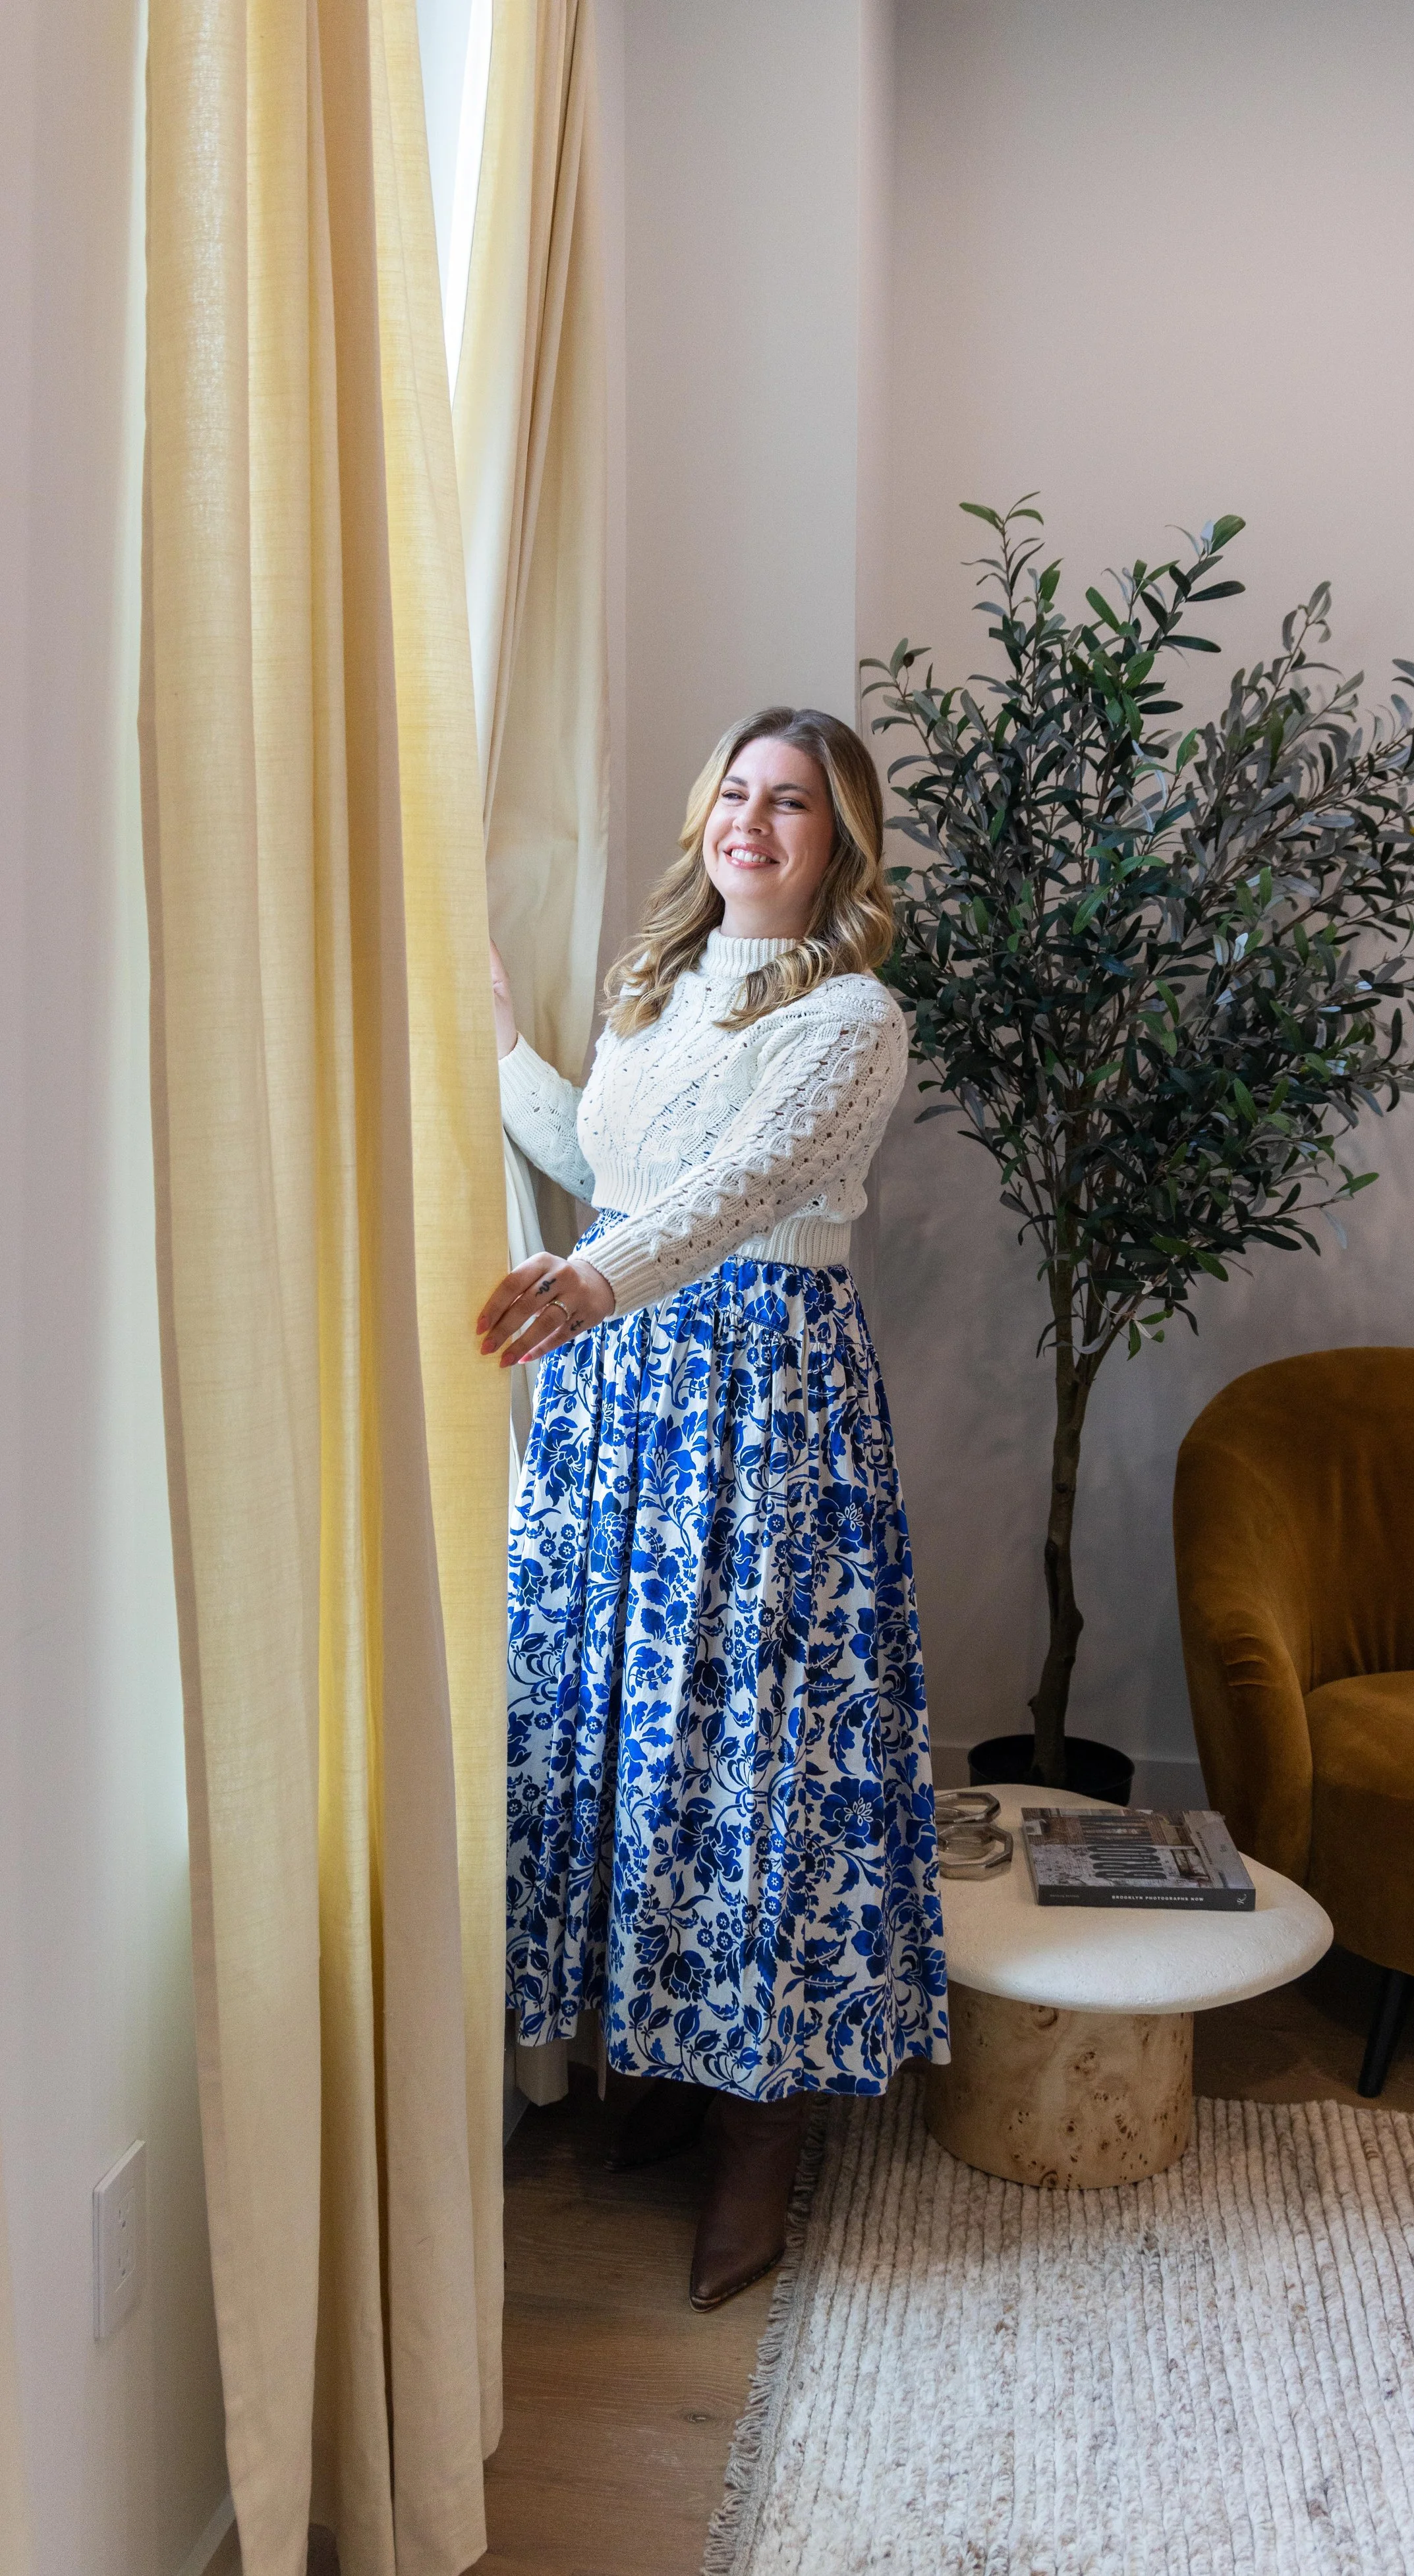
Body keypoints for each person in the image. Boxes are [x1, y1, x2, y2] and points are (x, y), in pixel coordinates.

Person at [477, 705, 947, 2310]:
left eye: (791, 803)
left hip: (756, 1396)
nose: (752, 821)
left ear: (837, 841)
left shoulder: (852, 1015)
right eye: (735, 793)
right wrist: (492, 1051)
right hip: (616, 1398)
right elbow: (607, 1160)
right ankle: (665, 2056)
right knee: (618, 1736)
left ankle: (767, 2115)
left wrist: (592, 1277)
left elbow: (739, 1188)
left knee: (747, 1754)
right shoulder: (655, 989)